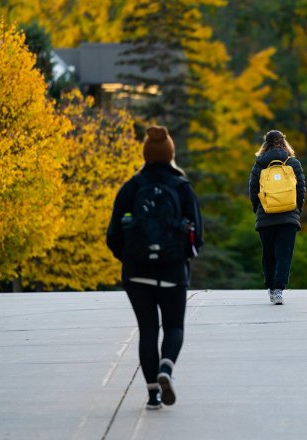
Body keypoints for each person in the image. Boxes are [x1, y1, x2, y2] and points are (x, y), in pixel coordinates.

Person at [107, 125, 202, 410]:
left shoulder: (132, 187)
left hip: (137, 272)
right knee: (174, 327)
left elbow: (113, 235)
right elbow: (199, 236)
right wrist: (182, 255)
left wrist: (130, 257)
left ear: (145, 154)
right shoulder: (182, 187)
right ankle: (166, 369)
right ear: (171, 154)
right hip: (173, 271)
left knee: (147, 329)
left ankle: (152, 395)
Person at [249, 130, 306, 305]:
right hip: (288, 216)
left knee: (268, 254)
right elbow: (301, 190)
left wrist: (257, 210)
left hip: (265, 215)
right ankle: (279, 290)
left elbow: (253, 191)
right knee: (284, 254)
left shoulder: (259, 165)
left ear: (265, 144)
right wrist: (297, 210)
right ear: (284, 143)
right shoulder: (293, 163)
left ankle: (271, 288)